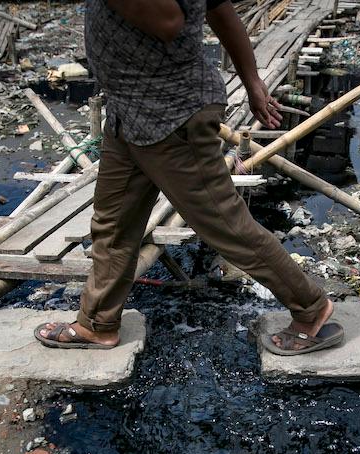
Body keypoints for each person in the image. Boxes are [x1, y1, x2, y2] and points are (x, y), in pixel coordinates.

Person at [35, 0, 344, 356]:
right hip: (128, 112)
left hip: (172, 114)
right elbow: (222, 9)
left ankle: (311, 308)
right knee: (113, 223)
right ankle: (97, 324)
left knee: (224, 223)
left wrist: (253, 80)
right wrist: (253, 80)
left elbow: (169, 21)